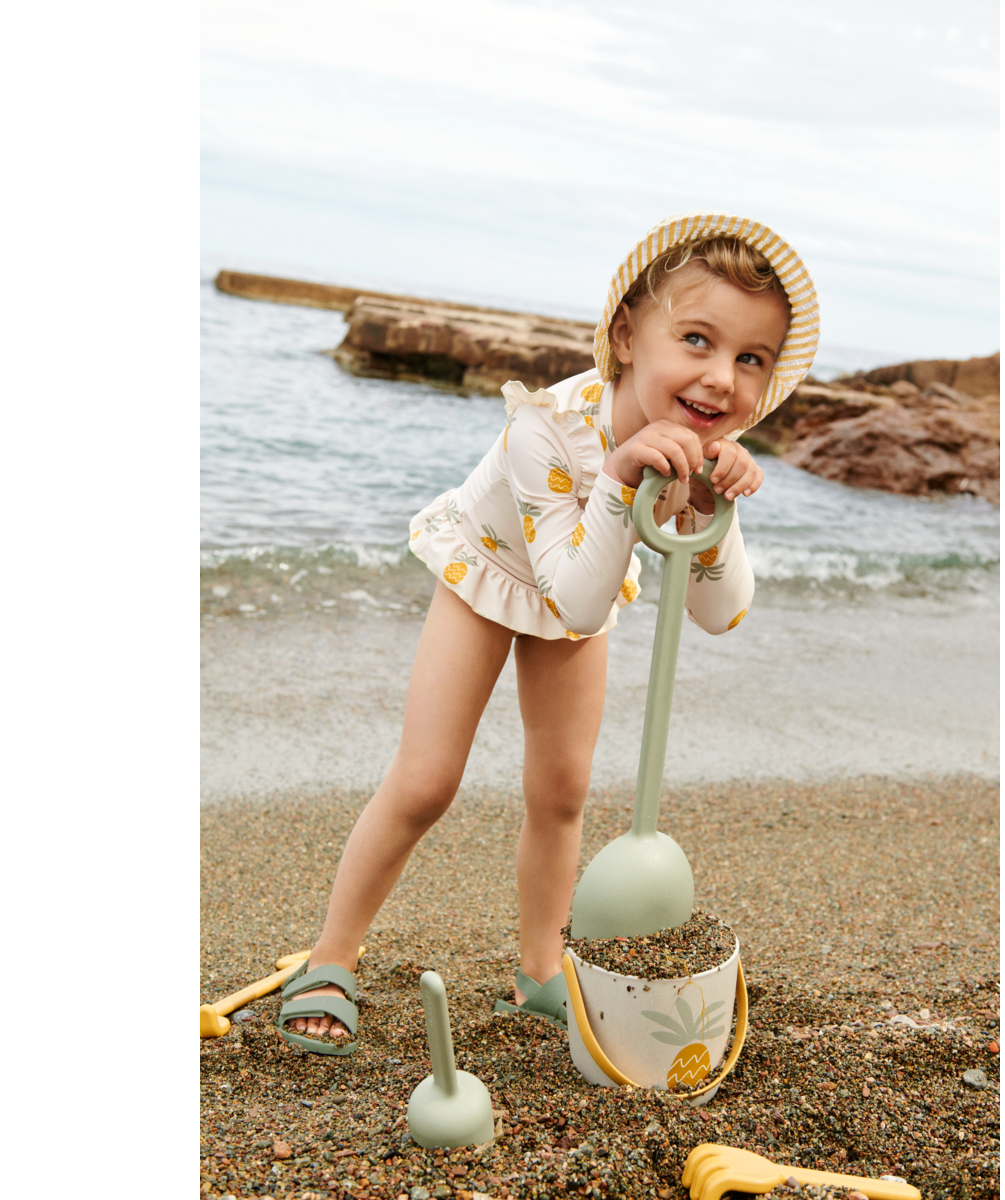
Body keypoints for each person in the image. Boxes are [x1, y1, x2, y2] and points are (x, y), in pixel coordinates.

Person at [277, 212, 820, 1053]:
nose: (721, 378)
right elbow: (573, 603)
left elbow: (719, 613)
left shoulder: (708, 447)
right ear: (627, 336)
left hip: (579, 581)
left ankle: (537, 972)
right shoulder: (545, 427)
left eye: (751, 358)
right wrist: (620, 477)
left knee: (563, 789)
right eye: (697, 339)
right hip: (490, 570)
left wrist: (717, 514)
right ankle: (331, 957)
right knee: (427, 781)